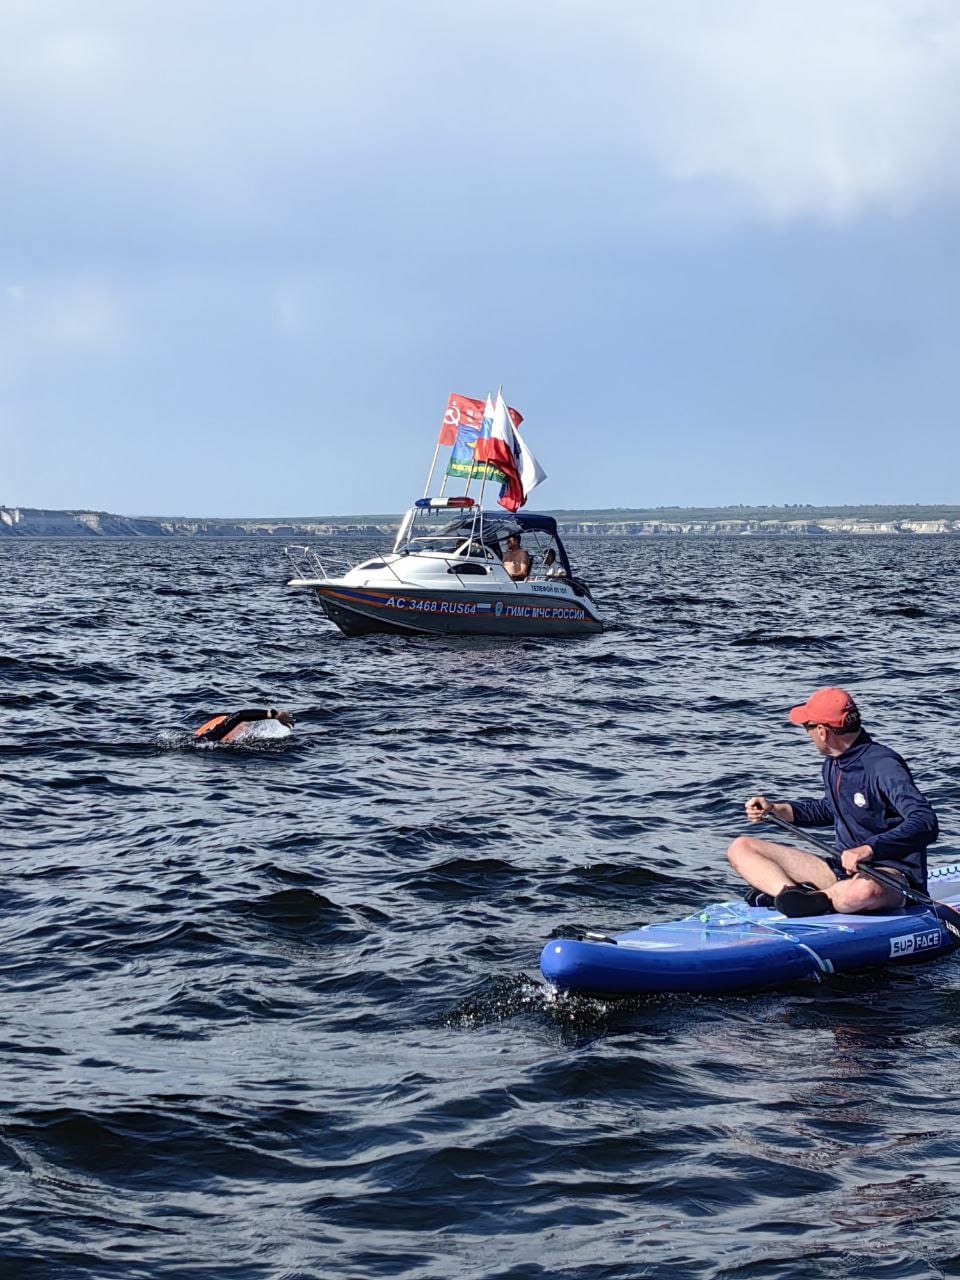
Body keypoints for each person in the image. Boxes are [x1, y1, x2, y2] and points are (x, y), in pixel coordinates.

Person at [727, 687, 938, 917]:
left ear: (822, 731)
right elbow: (832, 808)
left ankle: (809, 898)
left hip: (892, 878)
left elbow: (925, 821)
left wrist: (869, 849)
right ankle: (793, 895)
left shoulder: (883, 765)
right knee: (741, 848)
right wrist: (777, 810)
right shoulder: (833, 763)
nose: (807, 735)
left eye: (807, 727)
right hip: (841, 870)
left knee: (861, 892)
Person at [194, 708, 295, 743]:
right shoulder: (212, 738)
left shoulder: (204, 738)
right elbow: (240, 715)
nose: (243, 732)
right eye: (241, 729)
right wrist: (275, 715)